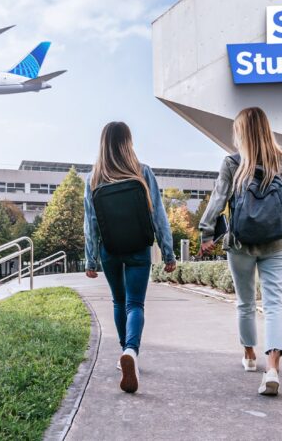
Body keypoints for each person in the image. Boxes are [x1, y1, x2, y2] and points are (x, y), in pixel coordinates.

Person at [84, 121, 176, 393]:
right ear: (128, 142)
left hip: (110, 250)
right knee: (135, 304)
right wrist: (168, 252)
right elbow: (158, 215)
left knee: (118, 301)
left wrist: (91, 260)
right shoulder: (143, 172)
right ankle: (131, 352)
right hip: (139, 248)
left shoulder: (94, 178)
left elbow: (90, 223)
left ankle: (125, 352)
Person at [199, 107, 282, 396]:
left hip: (239, 244)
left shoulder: (233, 162)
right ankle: (273, 367)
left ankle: (249, 356)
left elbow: (218, 198)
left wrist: (206, 233)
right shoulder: (280, 159)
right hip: (276, 243)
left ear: (241, 132)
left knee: (245, 302)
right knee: (275, 304)